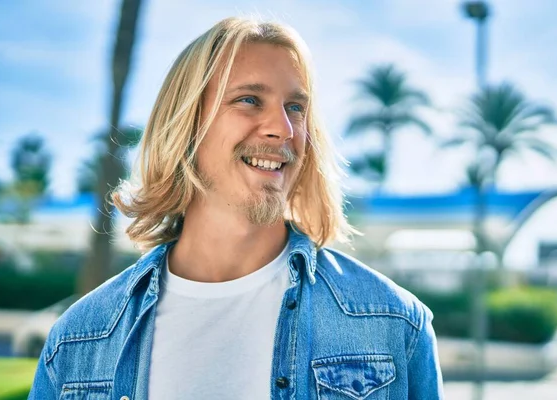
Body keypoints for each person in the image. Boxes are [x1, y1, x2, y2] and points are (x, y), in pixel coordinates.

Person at [29, 17, 443, 399]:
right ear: (186, 125)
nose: (282, 128)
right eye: (249, 99)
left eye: (295, 107)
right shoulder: (78, 341)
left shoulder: (394, 324)